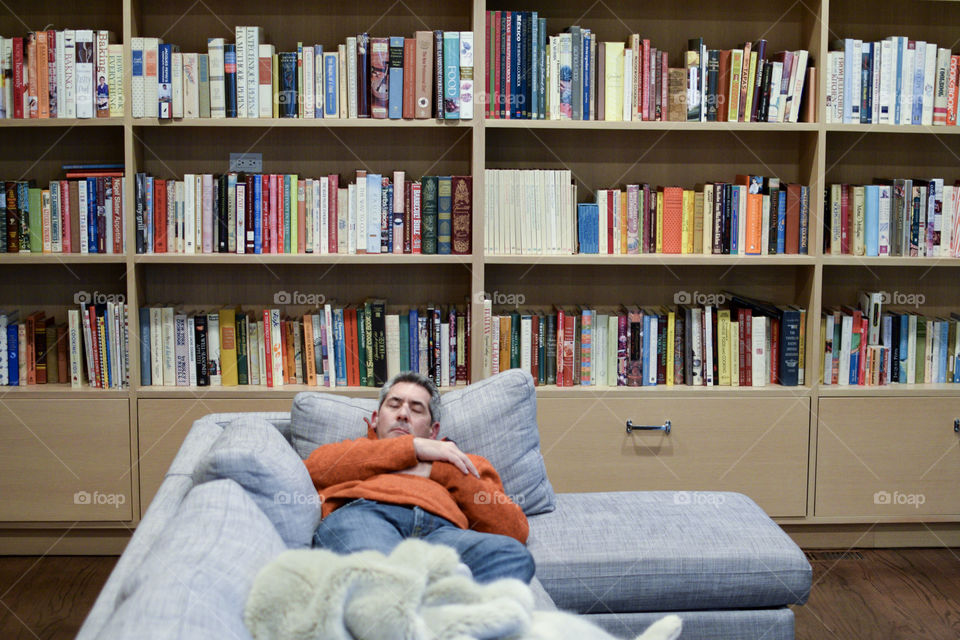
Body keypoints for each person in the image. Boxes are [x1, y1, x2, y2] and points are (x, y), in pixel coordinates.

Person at [305, 371, 535, 584]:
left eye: (416, 409)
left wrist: (436, 469)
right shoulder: (353, 450)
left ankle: (421, 595)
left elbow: (513, 530)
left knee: (515, 557)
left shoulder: (463, 462)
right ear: (375, 419)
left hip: (441, 533)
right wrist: (412, 448)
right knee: (379, 573)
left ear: (433, 431)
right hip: (365, 517)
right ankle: (437, 593)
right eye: (394, 405)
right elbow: (312, 470)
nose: (403, 414)